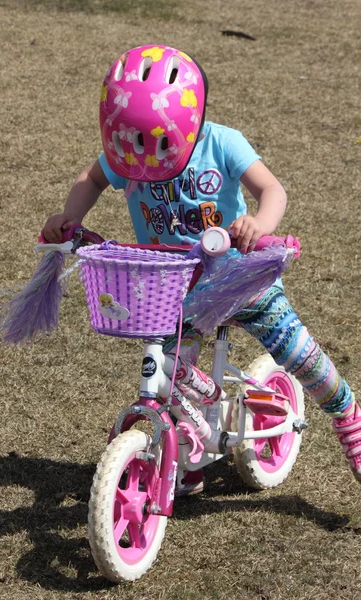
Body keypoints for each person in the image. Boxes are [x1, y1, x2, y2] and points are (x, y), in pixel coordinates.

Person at [42, 44, 361, 490]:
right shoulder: (130, 151)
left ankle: (348, 414)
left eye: (156, 143)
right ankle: (182, 453)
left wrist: (257, 224)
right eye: (133, 142)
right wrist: (71, 219)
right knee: (168, 370)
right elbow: (92, 177)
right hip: (176, 286)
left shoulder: (222, 142)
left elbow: (273, 191)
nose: (143, 156)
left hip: (238, 277)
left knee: (299, 355)